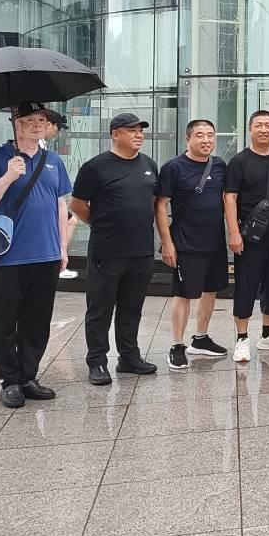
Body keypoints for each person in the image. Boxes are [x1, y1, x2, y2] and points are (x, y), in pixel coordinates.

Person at [0, 102, 72, 408]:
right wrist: (7, 177)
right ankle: (10, 381)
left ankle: (28, 376)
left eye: (42, 119)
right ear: (15, 123)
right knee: (5, 323)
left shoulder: (53, 160)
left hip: (46, 255)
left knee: (37, 322)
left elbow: (60, 204)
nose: (38, 124)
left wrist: (62, 247)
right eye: (29, 119)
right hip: (10, 257)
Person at [71, 113, 160, 385]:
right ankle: (97, 361)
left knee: (131, 308)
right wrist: (99, 224)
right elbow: (77, 205)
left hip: (141, 251)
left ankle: (129, 357)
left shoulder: (149, 164)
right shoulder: (95, 167)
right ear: (115, 134)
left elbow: (151, 201)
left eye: (140, 130)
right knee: (100, 310)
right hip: (107, 251)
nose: (139, 135)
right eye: (132, 130)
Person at [155, 119, 230, 370]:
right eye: (200, 135)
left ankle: (201, 338)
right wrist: (167, 243)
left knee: (211, 290)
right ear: (188, 139)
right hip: (186, 243)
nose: (206, 140)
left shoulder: (219, 165)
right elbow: (160, 205)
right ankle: (177, 345)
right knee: (184, 293)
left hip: (215, 242)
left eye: (210, 135)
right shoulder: (173, 168)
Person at [224, 110, 269, 362]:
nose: (264, 130)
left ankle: (267, 333)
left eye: (268, 125)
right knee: (246, 285)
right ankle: (242, 339)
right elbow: (229, 197)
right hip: (249, 238)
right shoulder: (239, 161)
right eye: (259, 125)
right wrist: (234, 233)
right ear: (250, 129)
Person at [42, 110, 80, 280]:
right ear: (49, 125)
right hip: (48, 201)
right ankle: (58, 260)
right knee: (70, 221)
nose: (58, 132)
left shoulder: (45, 148)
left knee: (69, 221)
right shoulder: (40, 146)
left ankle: (58, 258)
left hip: (51, 199)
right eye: (58, 128)